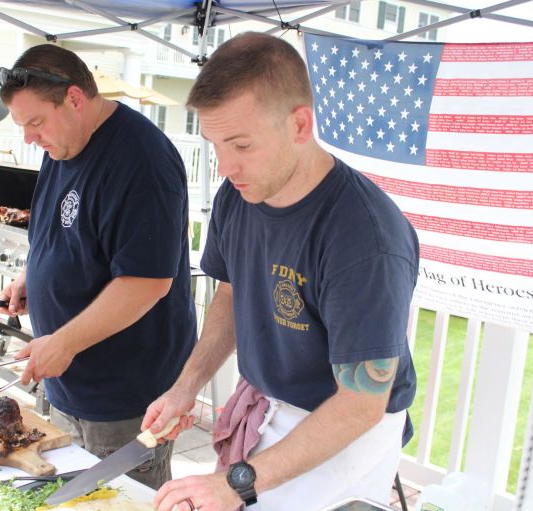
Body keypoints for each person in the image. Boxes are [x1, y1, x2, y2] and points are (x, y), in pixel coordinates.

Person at [144, 32, 419, 511]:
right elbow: (231, 295)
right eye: (215, 145)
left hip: (341, 431)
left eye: (242, 144)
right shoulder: (239, 193)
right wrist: (185, 387)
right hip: (265, 406)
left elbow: (361, 404)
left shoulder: (364, 238)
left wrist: (236, 483)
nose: (226, 166)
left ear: (299, 124)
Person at [0, 44, 197, 489]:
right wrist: (33, 277)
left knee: (117, 500)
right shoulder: (63, 144)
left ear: (73, 98)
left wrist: (64, 341)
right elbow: (57, 230)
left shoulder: (141, 160)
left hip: (125, 397)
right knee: (69, 497)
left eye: (35, 122)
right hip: (70, 385)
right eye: (23, 126)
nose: (30, 138)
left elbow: (147, 283)